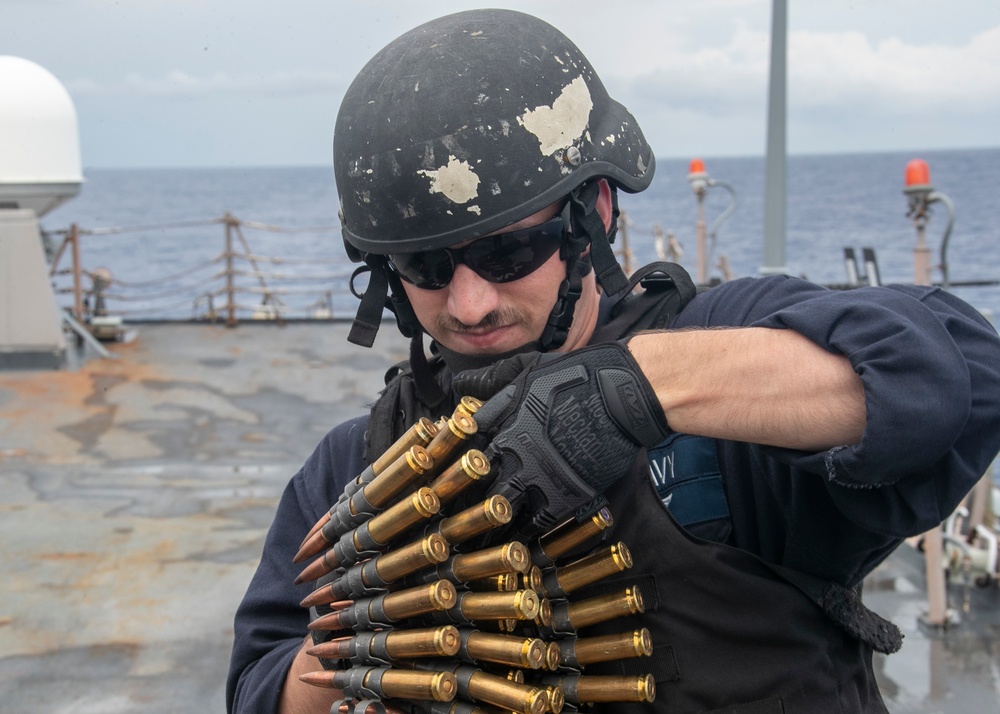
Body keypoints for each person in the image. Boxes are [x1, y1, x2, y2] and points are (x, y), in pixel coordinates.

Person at [227, 9, 1000, 714]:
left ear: (592, 213)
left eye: (507, 251)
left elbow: (959, 378)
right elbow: (260, 686)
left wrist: (638, 391)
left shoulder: (718, 355)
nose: (468, 304)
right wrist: (359, 646)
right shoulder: (358, 467)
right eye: (424, 267)